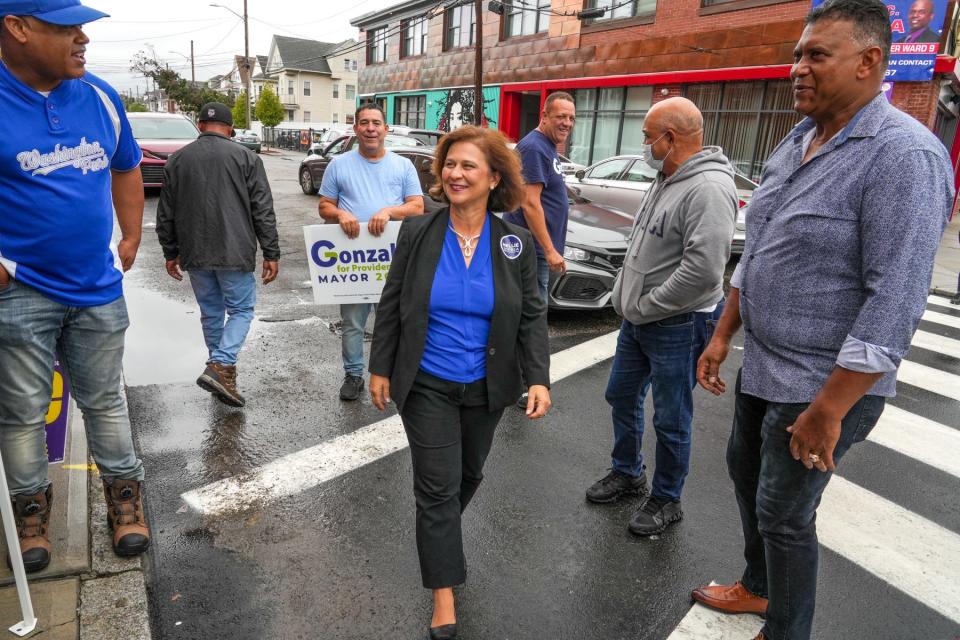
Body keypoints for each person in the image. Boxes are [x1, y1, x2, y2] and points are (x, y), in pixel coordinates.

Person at [691, 2, 952, 639]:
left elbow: (895, 295)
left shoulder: (903, 155)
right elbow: (759, 251)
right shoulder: (797, 139)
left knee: (784, 513)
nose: (797, 69)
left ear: (869, 63)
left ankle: (787, 631)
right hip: (765, 367)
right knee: (747, 480)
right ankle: (757, 588)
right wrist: (723, 335)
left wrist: (831, 408)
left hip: (821, 384)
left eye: (816, 56)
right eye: (797, 54)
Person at [368, 126, 551, 640]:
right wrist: (380, 365)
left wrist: (539, 377)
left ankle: (439, 530)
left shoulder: (514, 243)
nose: (455, 173)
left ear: (494, 178)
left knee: (467, 477)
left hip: (489, 387)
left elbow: (532, 315)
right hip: (426, 382)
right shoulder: (418, 233)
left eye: (468, 166)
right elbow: (393, 303)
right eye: (449, 164)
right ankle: (444, 596)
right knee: (437, 489)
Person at [0, 0, 152, 571]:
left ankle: (125, 503)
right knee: (21, 412)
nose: (82, 37)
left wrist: (132, 234)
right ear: (17, 28)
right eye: (65, 27)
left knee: (106, 402)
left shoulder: (101, 97)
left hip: (96, 289)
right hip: (19, 293)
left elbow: (126, 165)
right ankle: (32, 513)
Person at [584, 97, 737, 536]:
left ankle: (668, 499)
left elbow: (703, 270)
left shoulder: (707, 189)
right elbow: (644, 246)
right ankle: (628, 471)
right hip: (640, 320)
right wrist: (624, 294)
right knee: (621, 394)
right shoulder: (667, 176)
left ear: (671, 139)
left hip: (679, 324)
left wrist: (646, 305)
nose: (645, 144)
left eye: (649, 136)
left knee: (671, 417)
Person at [156, 102, 280, 408]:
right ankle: (221, 365)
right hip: (234, 250)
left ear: (199, 125)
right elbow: (262, 210)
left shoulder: (177, 160)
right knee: (240, 310)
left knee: (212, 312)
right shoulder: (247, 158)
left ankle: (221, 375)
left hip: (194, 251)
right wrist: (271, 252)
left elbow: (165, 212)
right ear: (231, 129)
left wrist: (170, 251)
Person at [318, 102, 424, 401]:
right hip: (354, 260)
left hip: (392, 259)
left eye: (376, 123)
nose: (370, 128)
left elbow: (417, 206)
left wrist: (390, 211)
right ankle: (353, 375)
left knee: (395, 321)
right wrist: (339, 214)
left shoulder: (402, 166)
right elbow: (324, 205)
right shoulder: (338, 165)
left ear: (386, 128)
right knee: (353, 323)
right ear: (356, 129)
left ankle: (392, 374)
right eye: (364, 123)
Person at [503, 91, 575, 407]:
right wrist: (549, 249)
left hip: (535, 249)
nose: (567, 123)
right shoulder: (534, 147)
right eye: (561, 116)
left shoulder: (547, 148)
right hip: (530, 251)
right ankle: (521, 384)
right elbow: (529, 203)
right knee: (530, 316)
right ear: (544, 116)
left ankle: (521, 380)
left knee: (528, 313)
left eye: (571, 118)